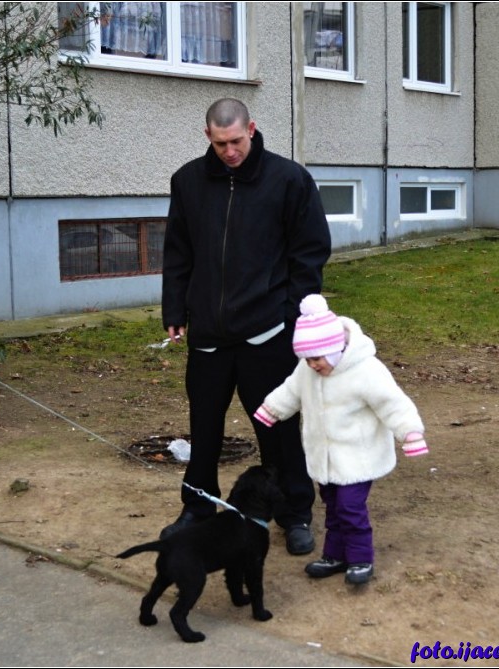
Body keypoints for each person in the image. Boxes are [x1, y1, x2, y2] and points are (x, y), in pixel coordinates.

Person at [160, 98, 332, 555]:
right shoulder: (188, 182)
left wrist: (293, 317)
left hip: (267, 333)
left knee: (276, 428)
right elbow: (178, 251)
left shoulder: (289, 179)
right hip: (209, 338)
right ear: (207, 137)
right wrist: (175, 308)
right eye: (220, 144)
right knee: (205, 428)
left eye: (236, 141)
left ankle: (294, 513)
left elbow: (309, 253)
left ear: (252, 129)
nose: (229, 151)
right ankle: (198, 506)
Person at [253, 294, 429, 585]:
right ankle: (334, 555)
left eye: (317, 359)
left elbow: (392, 402)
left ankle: (361, 558)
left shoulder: (366, 371)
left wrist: (409, 432)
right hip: (324, 457)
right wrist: (272, 409)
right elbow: (290, 390)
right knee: (333, 506)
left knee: (350, 507)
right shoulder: (307, 370)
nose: (312, 365)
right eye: (307, 360)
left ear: (335, 350)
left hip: (358, 457)